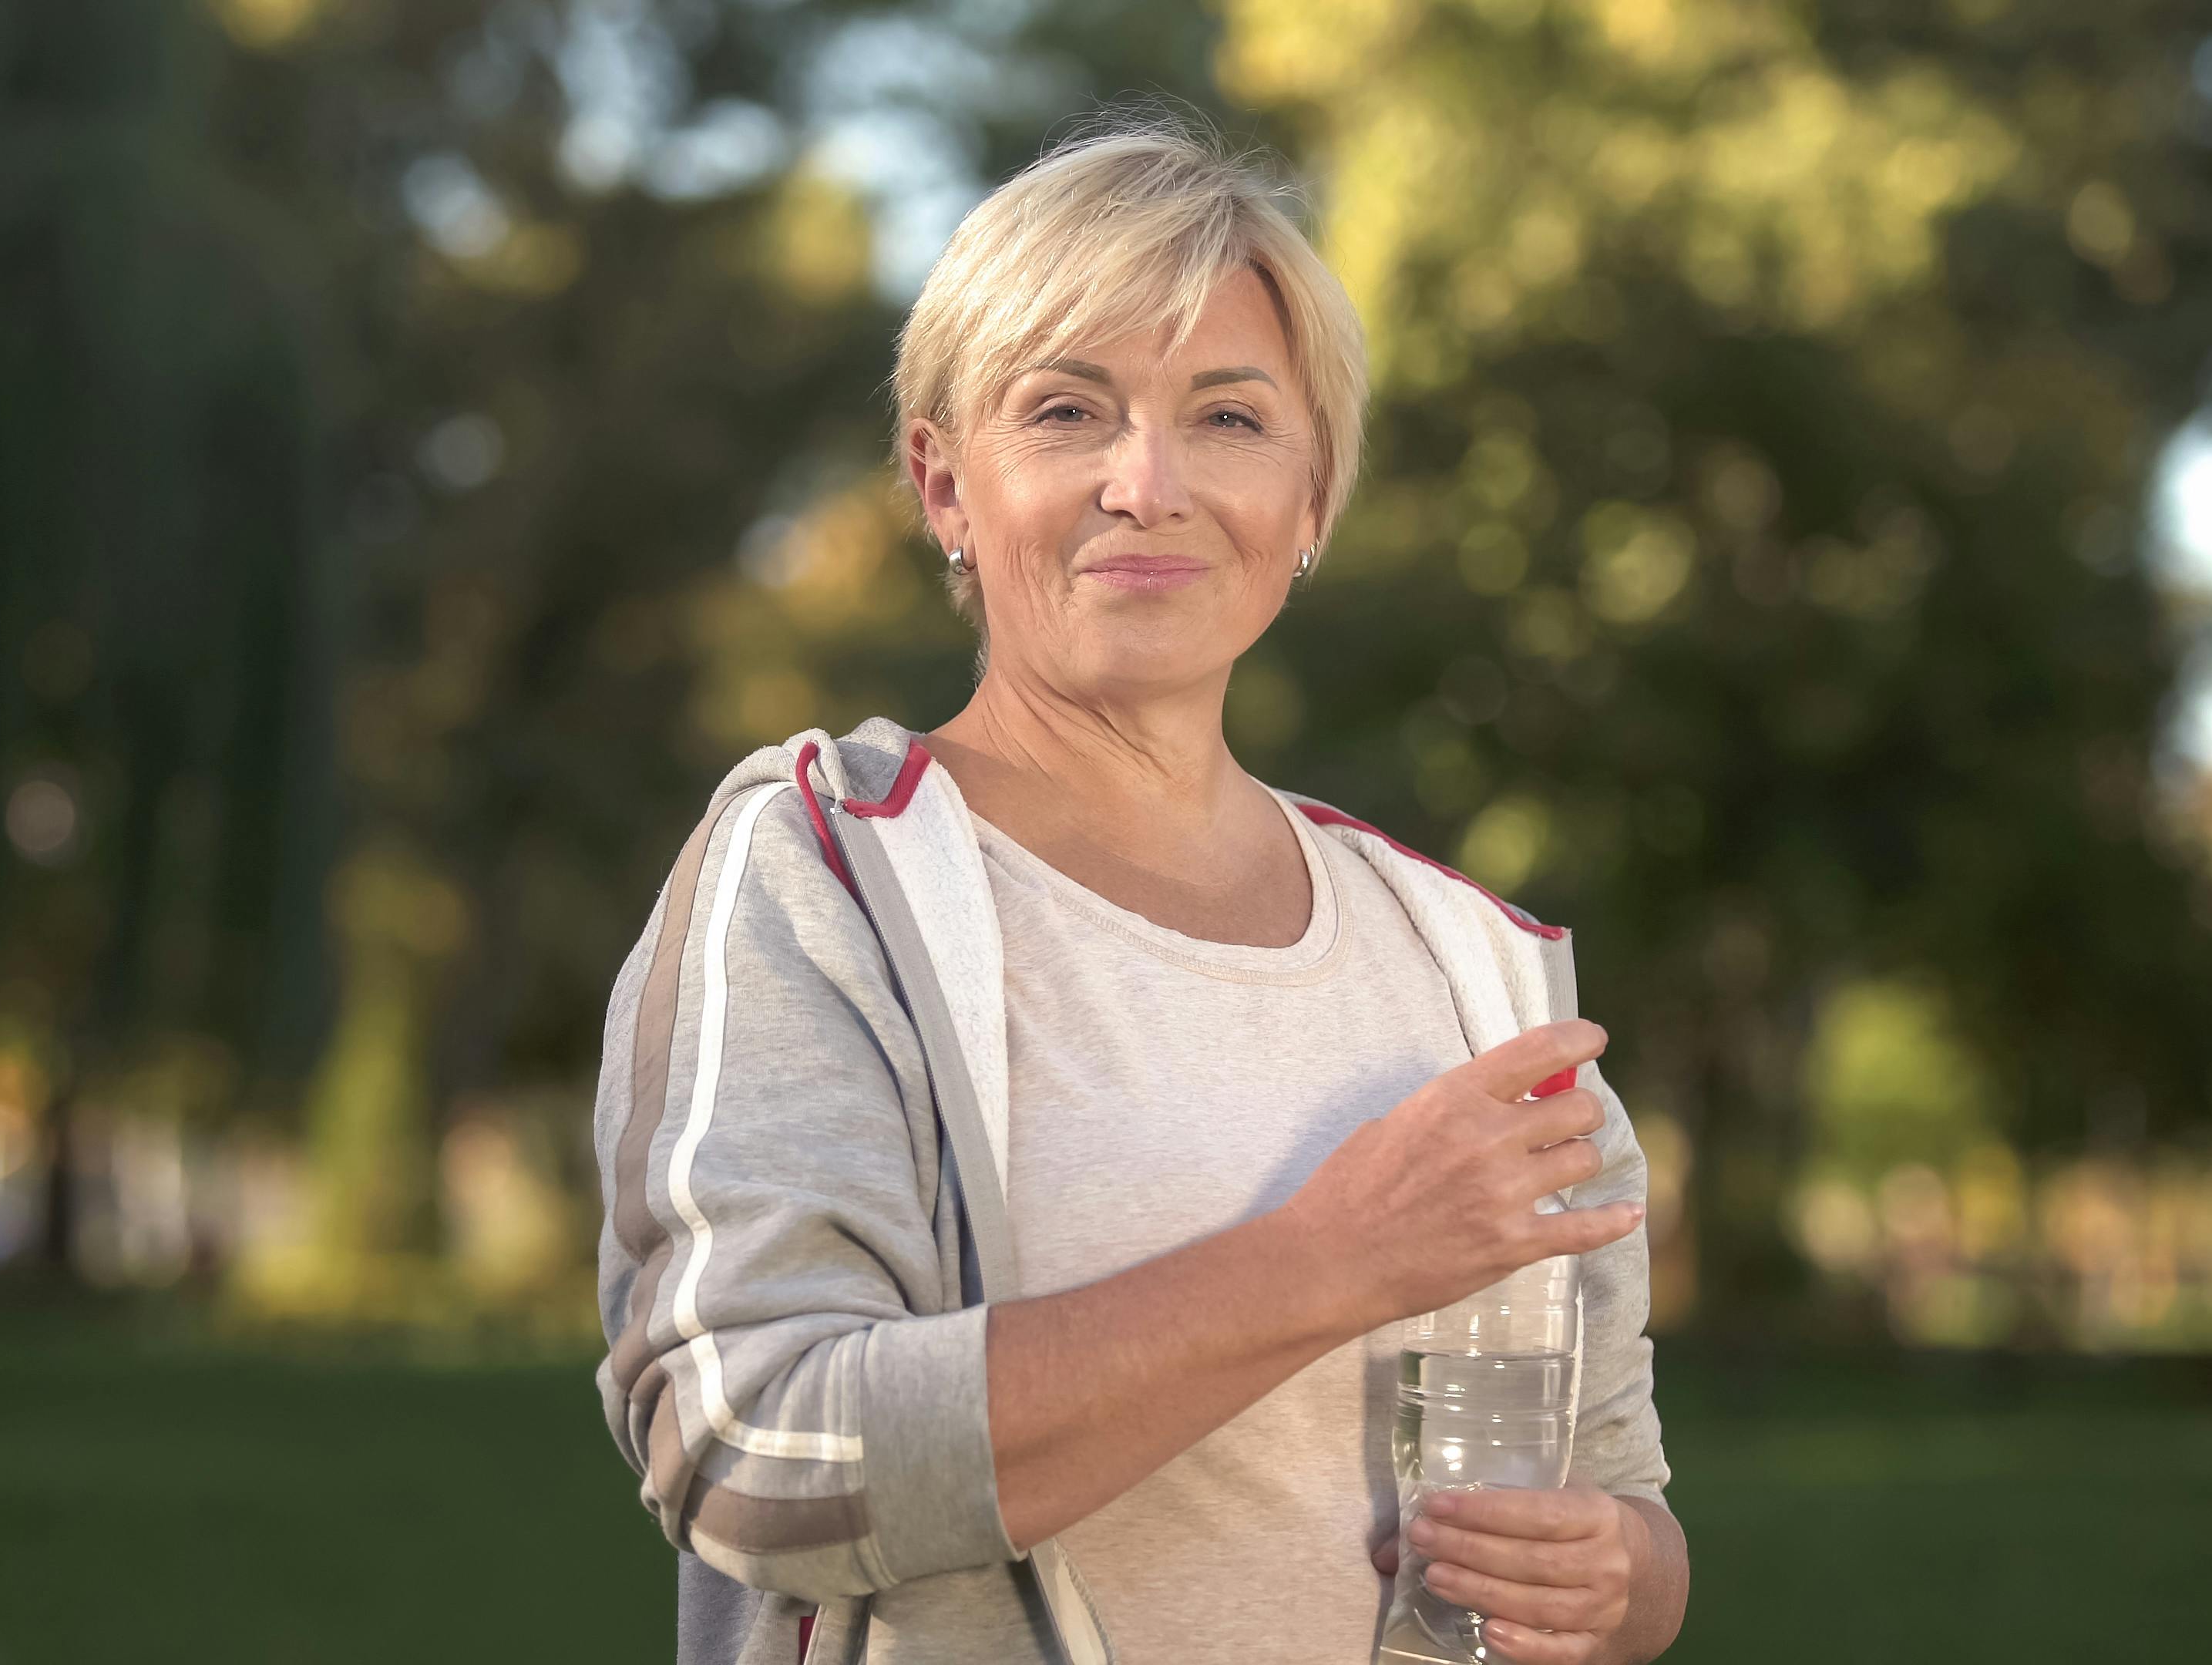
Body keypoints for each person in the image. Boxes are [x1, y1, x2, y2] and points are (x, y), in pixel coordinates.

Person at [594, 113, 1688, 1664]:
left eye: (1230, 419)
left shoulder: (1472, 964)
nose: (1147, 484)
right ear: (946, 485)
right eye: (1067, 411)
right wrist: (1326, 1262)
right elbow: (759, 1452)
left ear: (1310, 500)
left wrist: (1622, 1581)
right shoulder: (825, 875)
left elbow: (1621, 1494)